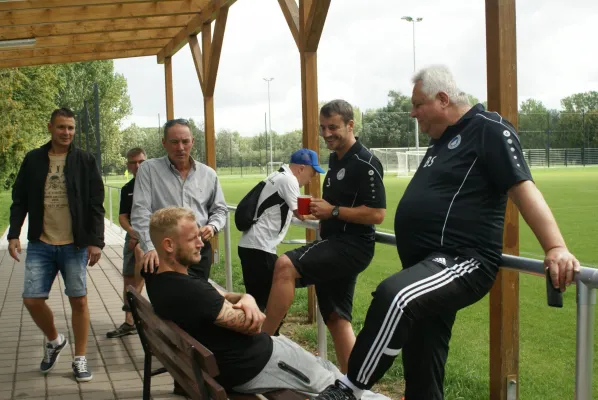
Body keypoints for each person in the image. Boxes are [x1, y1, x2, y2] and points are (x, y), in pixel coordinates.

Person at [315, 65, 581, 400]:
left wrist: (555, 246)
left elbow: (522, 189)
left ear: (442, 99)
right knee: (422, 359)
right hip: (426, 264)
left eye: (417, 104)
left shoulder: (489, 130)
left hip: (463, 259)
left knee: (395, 297)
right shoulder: (439, 141)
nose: (412, 113)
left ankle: (350, 387)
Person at [144, 207, 389, 399]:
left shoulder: (156, 276)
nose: (201, 243)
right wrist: (248, 305)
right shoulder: (190, 290)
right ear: (168, 245)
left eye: (199, 236)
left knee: (330, 369)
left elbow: (222, 299)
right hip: (258, 363)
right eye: (192, 239)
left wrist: (247, 298)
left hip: (247, 359)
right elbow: (254, 324)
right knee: (341, 388)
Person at [262, 100, 387, 373]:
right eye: (323, 127)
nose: (327, 133)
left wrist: (334, 211)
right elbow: (335, 209)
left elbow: (377, 214)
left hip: (351, 246)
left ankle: (260, 347)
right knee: (335, 318)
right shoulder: (335, 159)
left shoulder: (366, 162)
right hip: (334, 243)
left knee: (285, 265)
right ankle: (354, 384)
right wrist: (322, 210)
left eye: (333, 127)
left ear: (350, 125)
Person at [7, 107, 105, 382]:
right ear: (50, 127)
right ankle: (55, 340)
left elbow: (96, 204)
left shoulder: (85, 160)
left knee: (79, 300)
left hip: (74, 244)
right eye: (61, 127)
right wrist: (14, 234)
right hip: (41, 242)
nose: (66, 133)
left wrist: (96, 241)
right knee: (31, 299)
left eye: (71, 128)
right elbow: (20, 199)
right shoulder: (34, 159)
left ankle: (80, 358)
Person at [131, 118, 227, 279]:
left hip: (198, 251)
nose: (180, 147)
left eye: (185, 141)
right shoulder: (148, 170)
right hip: (163, 252)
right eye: (174, 142)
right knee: (169, 301)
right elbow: (140, 211)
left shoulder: (208, 174)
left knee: (198, 300)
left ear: (192, 141)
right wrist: (149, 248)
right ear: (164, 142)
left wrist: (212, 226)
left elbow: (220, 209)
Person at [238, 148, 324, 314]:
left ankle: (261, 337)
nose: (311, 179)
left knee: (260, 304)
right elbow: (302, 214)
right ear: (301, 168)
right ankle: (262, 338)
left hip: (253, 246)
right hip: (259, 248)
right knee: (266, 306)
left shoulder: (278, 176)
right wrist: (329, 214)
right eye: (312, 173)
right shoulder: (289, 180)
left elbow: (291, 215)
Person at [106, 147, 147, 338]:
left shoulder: (157, 184)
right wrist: (133, 234)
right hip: (132, 237)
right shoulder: (127, 189)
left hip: (155, 238)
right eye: (133, 162)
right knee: (129, 277)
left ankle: (139, 308)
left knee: (153, 276)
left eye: (141, 161)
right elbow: (122, 217)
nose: (137, 166)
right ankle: (129, 321)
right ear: (128, 165)